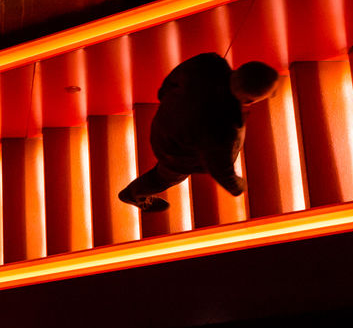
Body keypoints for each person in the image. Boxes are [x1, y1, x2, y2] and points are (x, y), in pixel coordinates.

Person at [118, 53, 279, 212]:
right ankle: (132, 194)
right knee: (163, 177)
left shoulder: (210, 63)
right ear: (249, 101)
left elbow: (172, 79)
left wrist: (166, 98)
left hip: (164, 120)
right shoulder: (224, 129)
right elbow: (220, 168)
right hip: (175, 155)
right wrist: (238, 186)